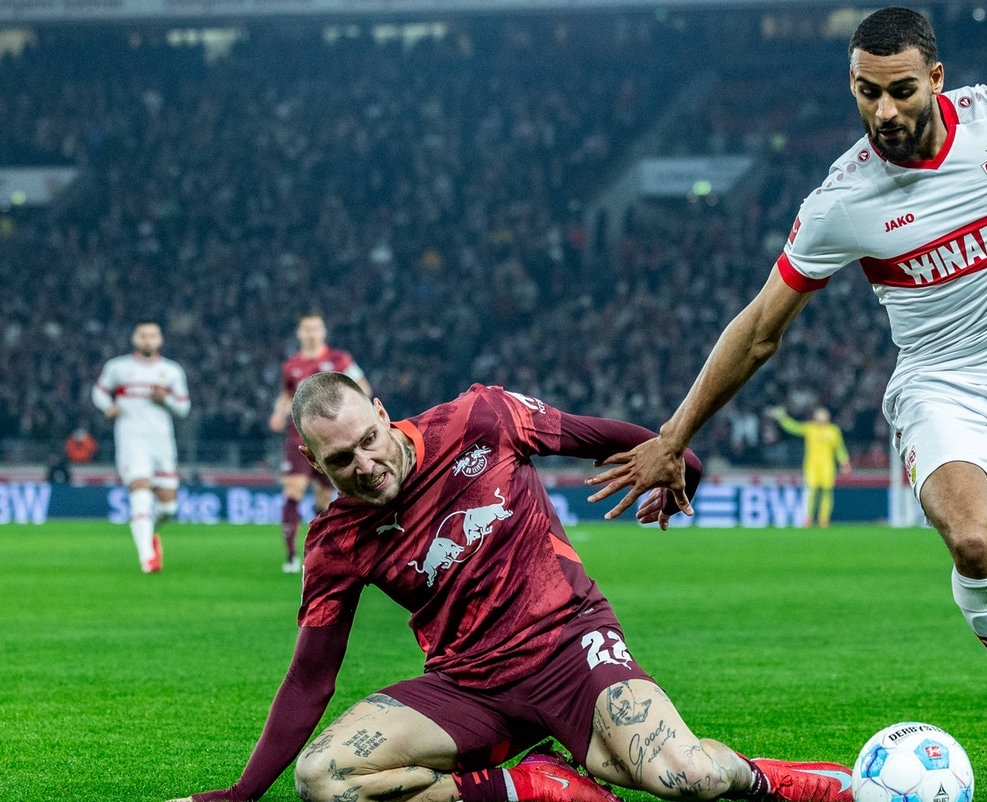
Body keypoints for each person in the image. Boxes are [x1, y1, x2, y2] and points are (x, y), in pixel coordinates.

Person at [586, 8, 987, 802]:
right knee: (974, 541)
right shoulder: (844, 199)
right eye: (866, 93)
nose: (884, 112)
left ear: (937, 79)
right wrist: (673, 434)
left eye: (901, 91)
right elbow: (761, 328)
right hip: (943, 385)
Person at [168, 372, 853, 802]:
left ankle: (788, 782)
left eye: (369, 439)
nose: (367, 463)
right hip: (467, 688)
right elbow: (310, 678)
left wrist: (681, 466)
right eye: (341, 460)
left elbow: (603, 436)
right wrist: (240, 795)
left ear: (380, 411)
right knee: (325, 780)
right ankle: (535, 786)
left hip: (570, 648)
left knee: (688, 778)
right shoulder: (337, 542)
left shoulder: (482, 419)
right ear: (313, 463)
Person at [267, 311, 371, 573]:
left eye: (316, 328)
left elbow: (363, 388)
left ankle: (321, 553)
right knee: (293, 491)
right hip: (298, 438)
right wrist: (278, 413)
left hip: (332, 440)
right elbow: (287, 395)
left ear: (323, 331)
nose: (311, 333)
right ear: (300, 333)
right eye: (307, 329)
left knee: (325, 502)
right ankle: (291, 556)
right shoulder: (292, 366)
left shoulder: (340, 359)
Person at [91, 320, 191, 573]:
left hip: (162, 442)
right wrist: (108, 407)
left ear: (160, 340)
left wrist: (165, 399)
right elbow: (99, 392)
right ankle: (147, 558)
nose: (148, 340)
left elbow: (183, 407)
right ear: (135, 339)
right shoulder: (118, 367)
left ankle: (150, 535)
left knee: (168, 508)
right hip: (131, 439)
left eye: (153, 335)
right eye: (143, 335)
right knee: (140, 491)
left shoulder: (171, 371)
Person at [768, 406, 851, 527]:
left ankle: (824, 520)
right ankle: (809, 518)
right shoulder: (810, 428)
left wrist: (844, 462)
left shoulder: (833, 430)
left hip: (827, 466)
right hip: (811, 466)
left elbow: (839, 448)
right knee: (811, 492)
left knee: (826, 492)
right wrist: (782, 418)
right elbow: (794, 427)